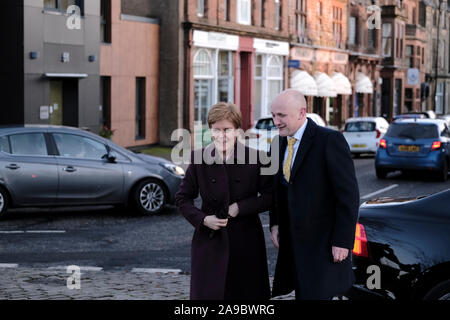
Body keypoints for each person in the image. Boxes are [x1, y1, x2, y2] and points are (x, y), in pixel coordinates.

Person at [269, 89, 360, 300]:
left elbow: (348, 196)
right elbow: (277, 190)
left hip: (323, 246)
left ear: (302, 113)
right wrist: (275, 223)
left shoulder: (329, 140)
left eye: (281, 115)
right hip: (293, 245)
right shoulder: (278, 143)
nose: (276, 121)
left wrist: (343, 241)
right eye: (274, 115)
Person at [175, 102, 272, 300]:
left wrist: (241, 207)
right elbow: (183, 199)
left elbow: (271, 197)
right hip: (210, 241)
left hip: (247, 240)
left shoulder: (257, 158)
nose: (222, 135)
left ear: (237, 131)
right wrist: (203, 219)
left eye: (227, 129)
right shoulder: (199, 158)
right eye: (216, 130)